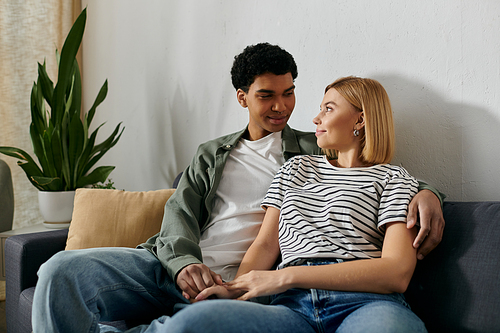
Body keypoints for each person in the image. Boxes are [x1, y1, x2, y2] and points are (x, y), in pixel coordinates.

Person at [32, 44, 443, 333]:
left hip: (256, 284)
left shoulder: (309, 152)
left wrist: (427, 193)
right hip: (180, 265)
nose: (282, 106)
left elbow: (378, 175)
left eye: (290, 94)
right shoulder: (218, 154)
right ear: (243, 98)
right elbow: (181, 215)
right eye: (267, 96)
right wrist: (185, 265)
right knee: (58, 272)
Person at [173, 76, 428, 332]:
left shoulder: (393, 179)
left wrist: (285, 276)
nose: (316, 118)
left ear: (360, 120)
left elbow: (397, 272)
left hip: (365, 303)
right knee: (193, 321)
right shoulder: (295, 169)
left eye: (328, 109)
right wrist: (235, 290)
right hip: (292, 307)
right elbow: (264, 245)